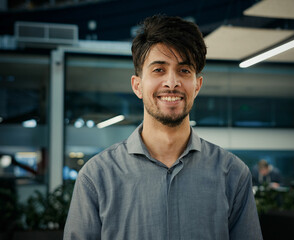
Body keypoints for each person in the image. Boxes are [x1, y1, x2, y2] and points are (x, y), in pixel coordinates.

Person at [63, 15, 263, 240]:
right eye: (159, 69)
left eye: (184, 70)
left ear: (197, 86)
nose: (172, 82)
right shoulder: (97, 177)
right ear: (137, 86)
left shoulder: (233, 175)